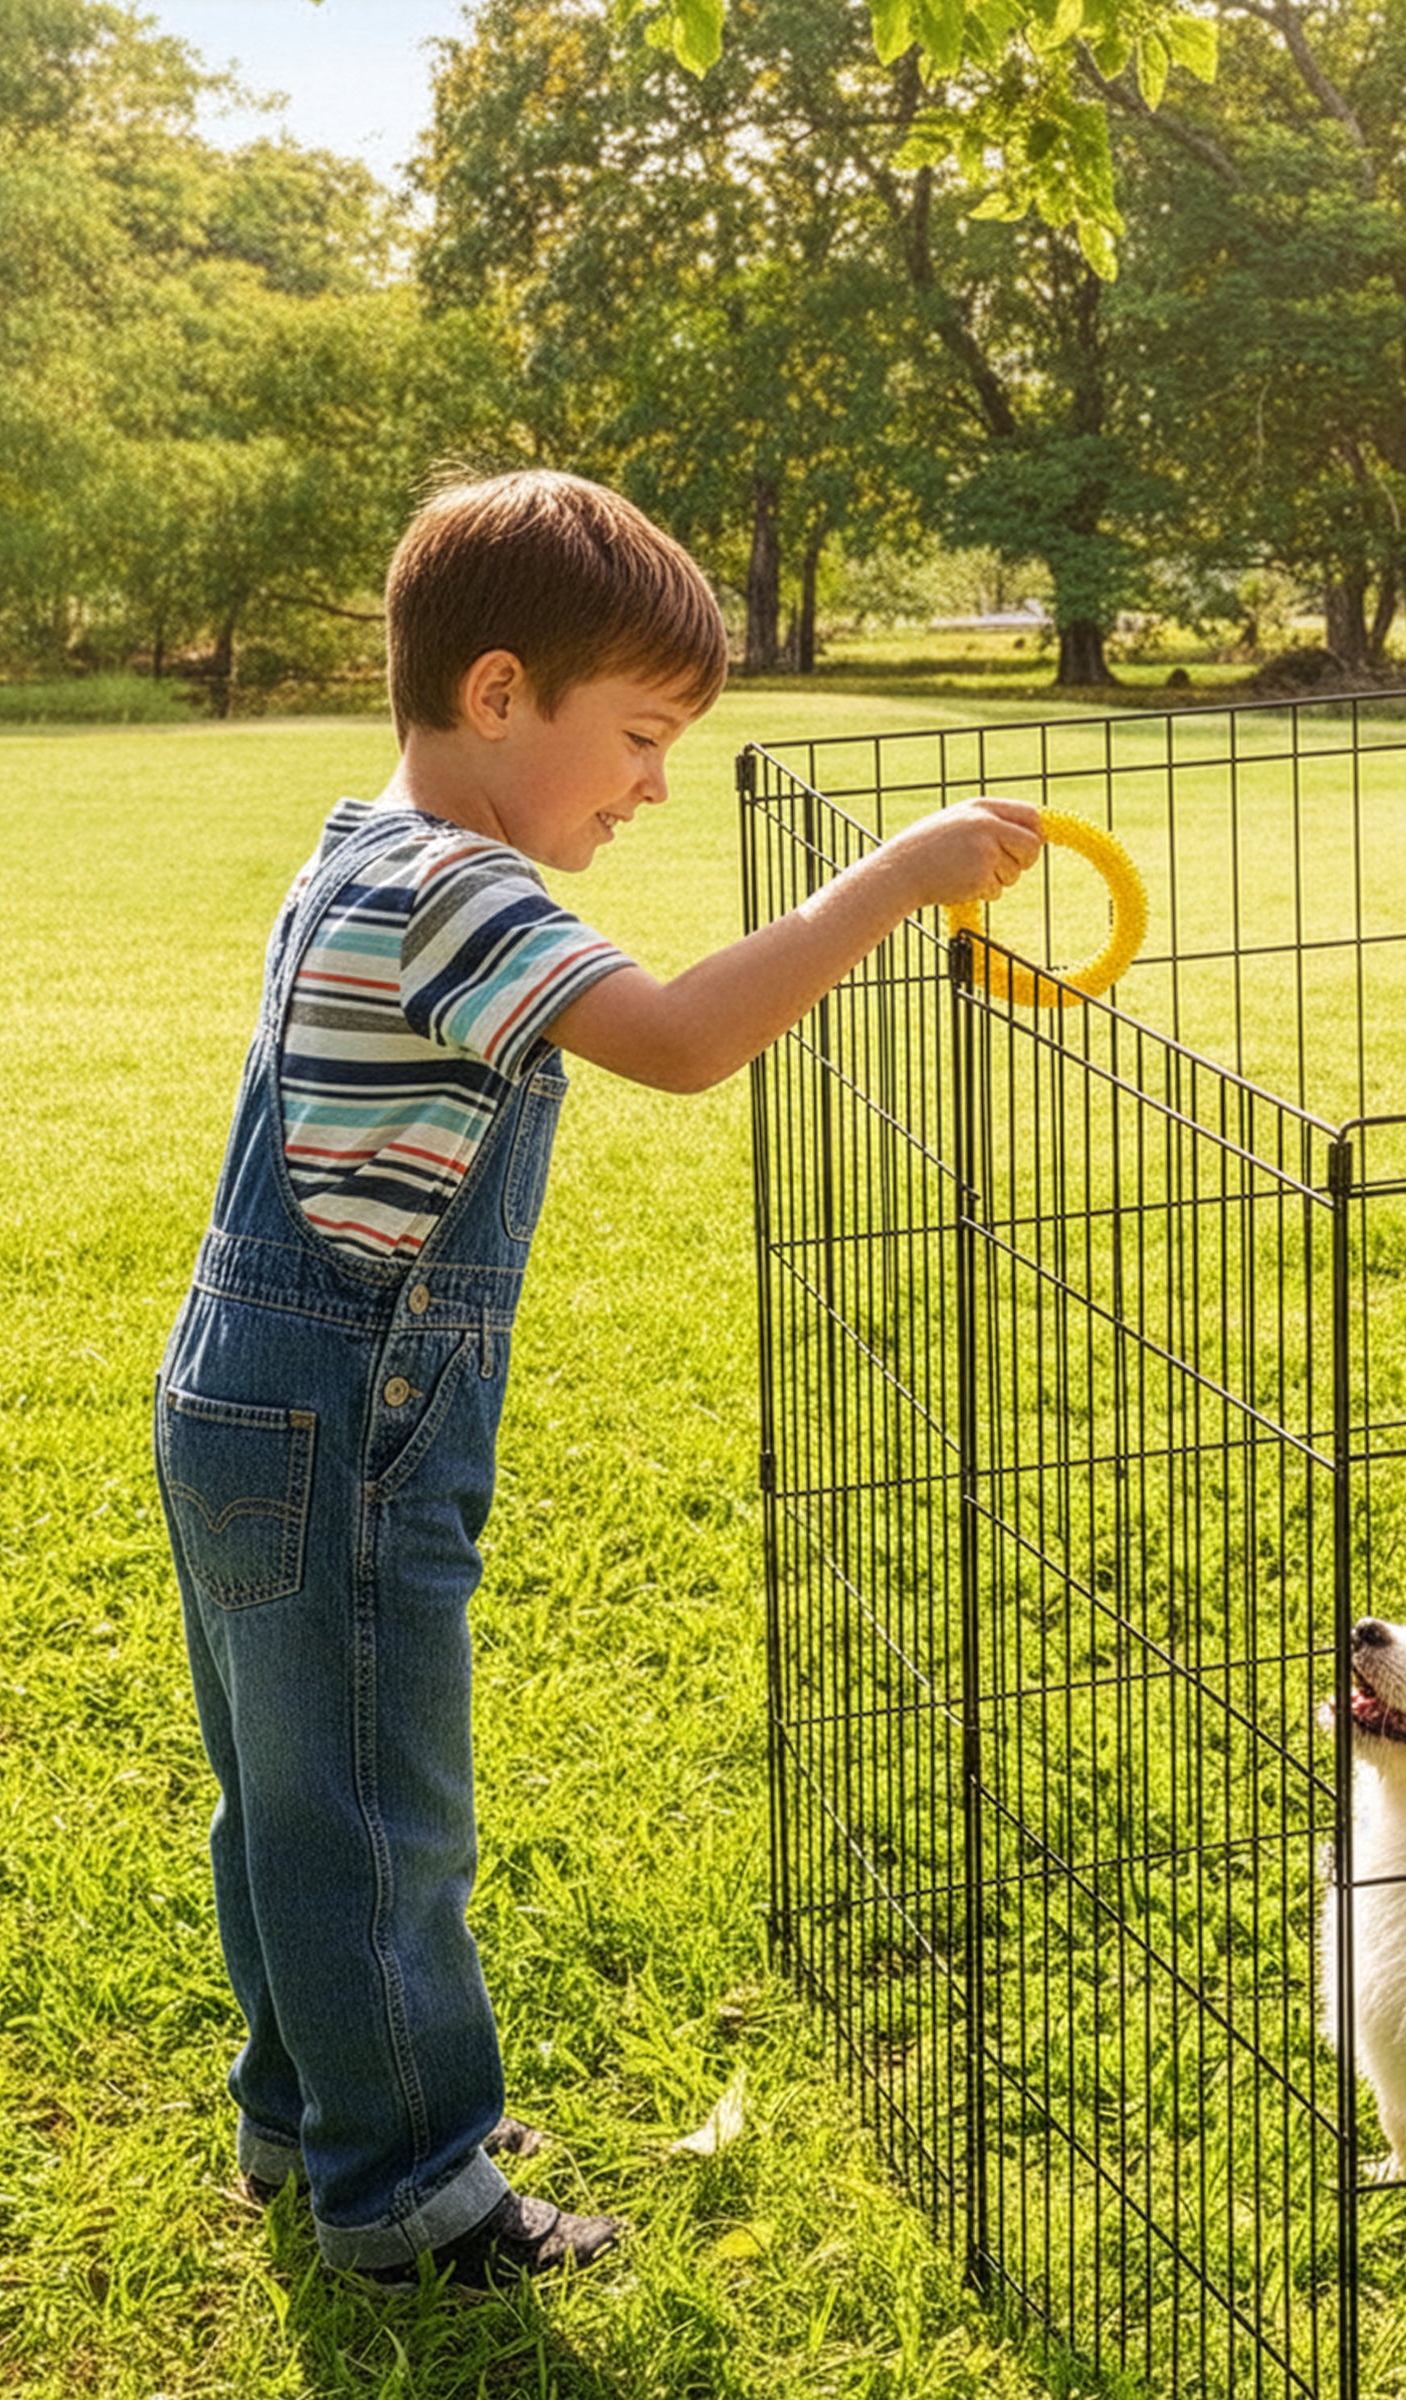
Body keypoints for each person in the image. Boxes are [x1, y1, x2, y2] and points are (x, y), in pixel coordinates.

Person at [153, 469, 1040, 2288]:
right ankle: (409, 2191)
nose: (649, 784)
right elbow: (685, 1041)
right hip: (345, 1419)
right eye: (636, 739)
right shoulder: (455, 892)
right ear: (497, 696)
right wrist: (899, 876)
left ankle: (311, 2111)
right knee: (379, 1803)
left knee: (291, 1789)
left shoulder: (361, 844)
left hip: (252, 1390)